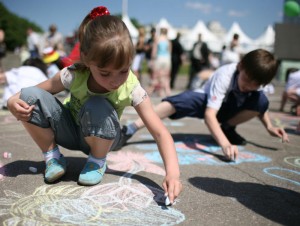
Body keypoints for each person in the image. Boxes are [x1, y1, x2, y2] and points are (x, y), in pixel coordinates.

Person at [7, 6, 181, 203]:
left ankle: (97, 161)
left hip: (104, 138)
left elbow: (160, 132)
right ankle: (53, 157)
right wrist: (12, 100)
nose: (115, 80)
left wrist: (173, 174)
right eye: (105, 73)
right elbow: (34, 92)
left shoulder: (132, 87)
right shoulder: (74, 74)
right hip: (71, 132)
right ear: (87, 60)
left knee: (97, 103)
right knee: (28, 96)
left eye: (123, 70)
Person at [119, 49, 289, 161]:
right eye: (247, 79)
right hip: (205, 103)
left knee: (261, 100)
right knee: (179, 101)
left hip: (228, 109)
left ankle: (228, 128)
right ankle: (130, 129)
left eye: (255, 84)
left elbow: (261, 106)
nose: (249, 86)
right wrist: (224, 144)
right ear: (240, 66)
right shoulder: (226, 74)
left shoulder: (258, 83)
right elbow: (209, 115)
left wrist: (269, 126)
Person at [147, 27, 172, 97]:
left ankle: (150, 91)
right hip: (167, 59)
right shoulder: (168, 40)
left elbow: (154, 51)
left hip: (159, 59)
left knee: (156, 76)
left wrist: (152, 60)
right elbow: (169, 51)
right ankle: (167, 91)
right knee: (165, 76)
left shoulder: (157, 39)